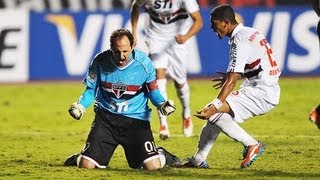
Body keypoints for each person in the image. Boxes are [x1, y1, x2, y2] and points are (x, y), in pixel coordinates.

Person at [64, 28, 180, 170]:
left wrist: (162, 104)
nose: (121, 56)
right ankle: (80, 157)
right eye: (117, 51)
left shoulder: (144, 64)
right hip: (106, 120)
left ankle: (162, 154)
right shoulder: (100, 61)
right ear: (111, 48)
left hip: (136, 121)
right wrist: (81, 106)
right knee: (86, 165)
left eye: (125, 51)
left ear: (132, 47)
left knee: (152, 167)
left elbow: (153, 91)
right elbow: (91, 90)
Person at [181, 4, 281, 169]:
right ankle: (198, 160)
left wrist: (219, 99)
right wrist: (238, 76)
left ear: (226, 23)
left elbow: (232, 80)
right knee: (216, 114)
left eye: (215, 24)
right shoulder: (251, 32)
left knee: (212, 110)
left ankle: (251, 144)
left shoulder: (239, 40)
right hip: (264, 87)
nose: (213, 28)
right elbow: (259, 65)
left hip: (261, 92)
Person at [130, 0, 203, 139]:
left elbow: (198, 21)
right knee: (158, 76)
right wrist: (134, 31)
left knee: (180, 82)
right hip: (155, 38)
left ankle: (186, 113)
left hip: (177, 41)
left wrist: (186, 37)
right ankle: (163, 123)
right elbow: (136, 6)